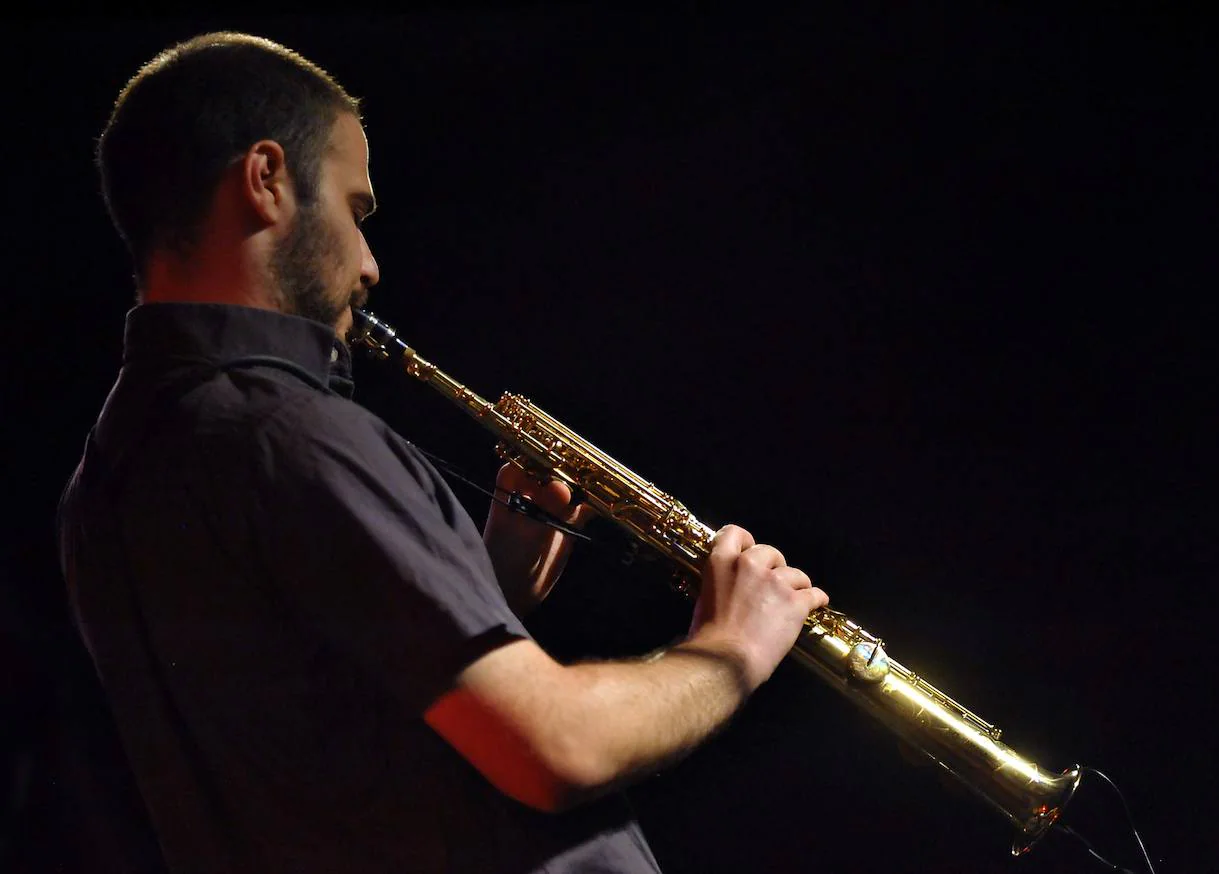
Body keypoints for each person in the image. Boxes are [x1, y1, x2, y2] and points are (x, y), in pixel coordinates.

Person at [57, 31, 828, 874]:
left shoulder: (106, 480)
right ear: (267, 179)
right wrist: (731, 649)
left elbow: (327, 750)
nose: (370, 264)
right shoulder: (288, 431)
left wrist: (480, 583)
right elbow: (557, 748)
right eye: (355, 212)